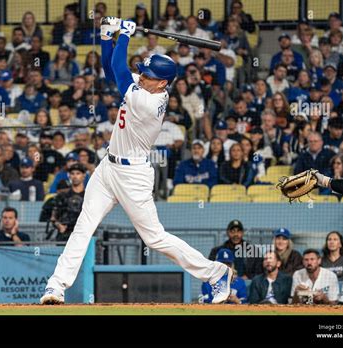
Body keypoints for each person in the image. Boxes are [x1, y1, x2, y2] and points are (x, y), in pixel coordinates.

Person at [41, 18, 232, 305]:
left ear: (163, 83)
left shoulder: (150, 102)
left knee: (155, 238)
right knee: (83, 225)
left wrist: (125, 35)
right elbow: (109, 69)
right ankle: (56, 287)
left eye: (148, 75)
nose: (142, 76)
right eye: (143, 72)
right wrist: (108, 36)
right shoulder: (145, 88)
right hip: (108, 168)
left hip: (133, 176)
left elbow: (119, 72)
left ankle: (215, 273)